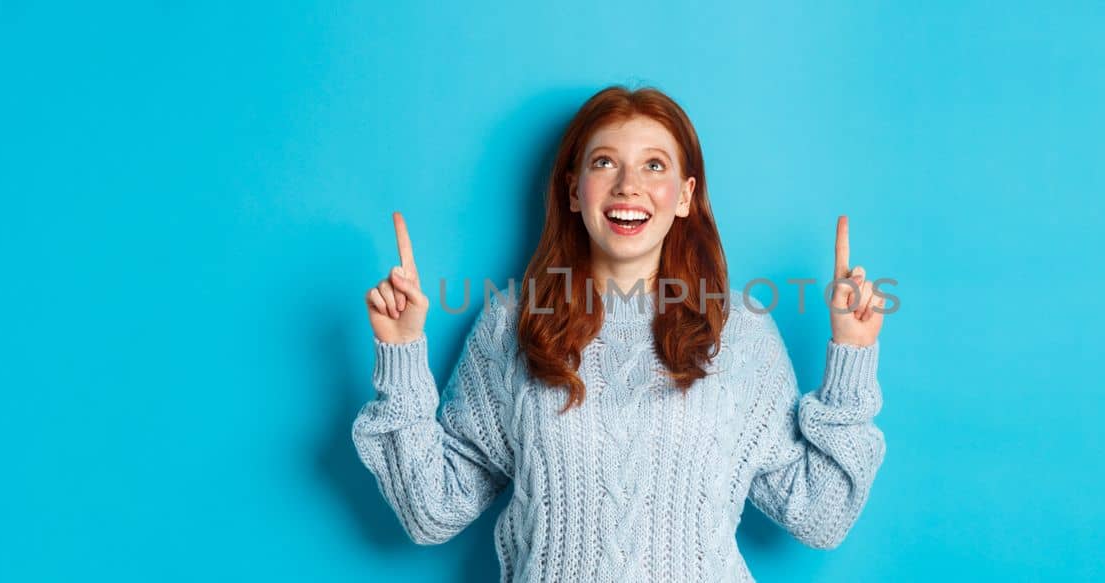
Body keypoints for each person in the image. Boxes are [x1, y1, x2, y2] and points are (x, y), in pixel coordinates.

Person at [352, 85, 890, 582]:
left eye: (654, 165)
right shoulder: (513, 322)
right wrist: (400, 355)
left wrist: (853, 356)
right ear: (573, 190)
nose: (628, 186)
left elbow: (821, 517)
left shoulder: (739, 330)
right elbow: (432, 511)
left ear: (684, 195)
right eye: (605, 162)